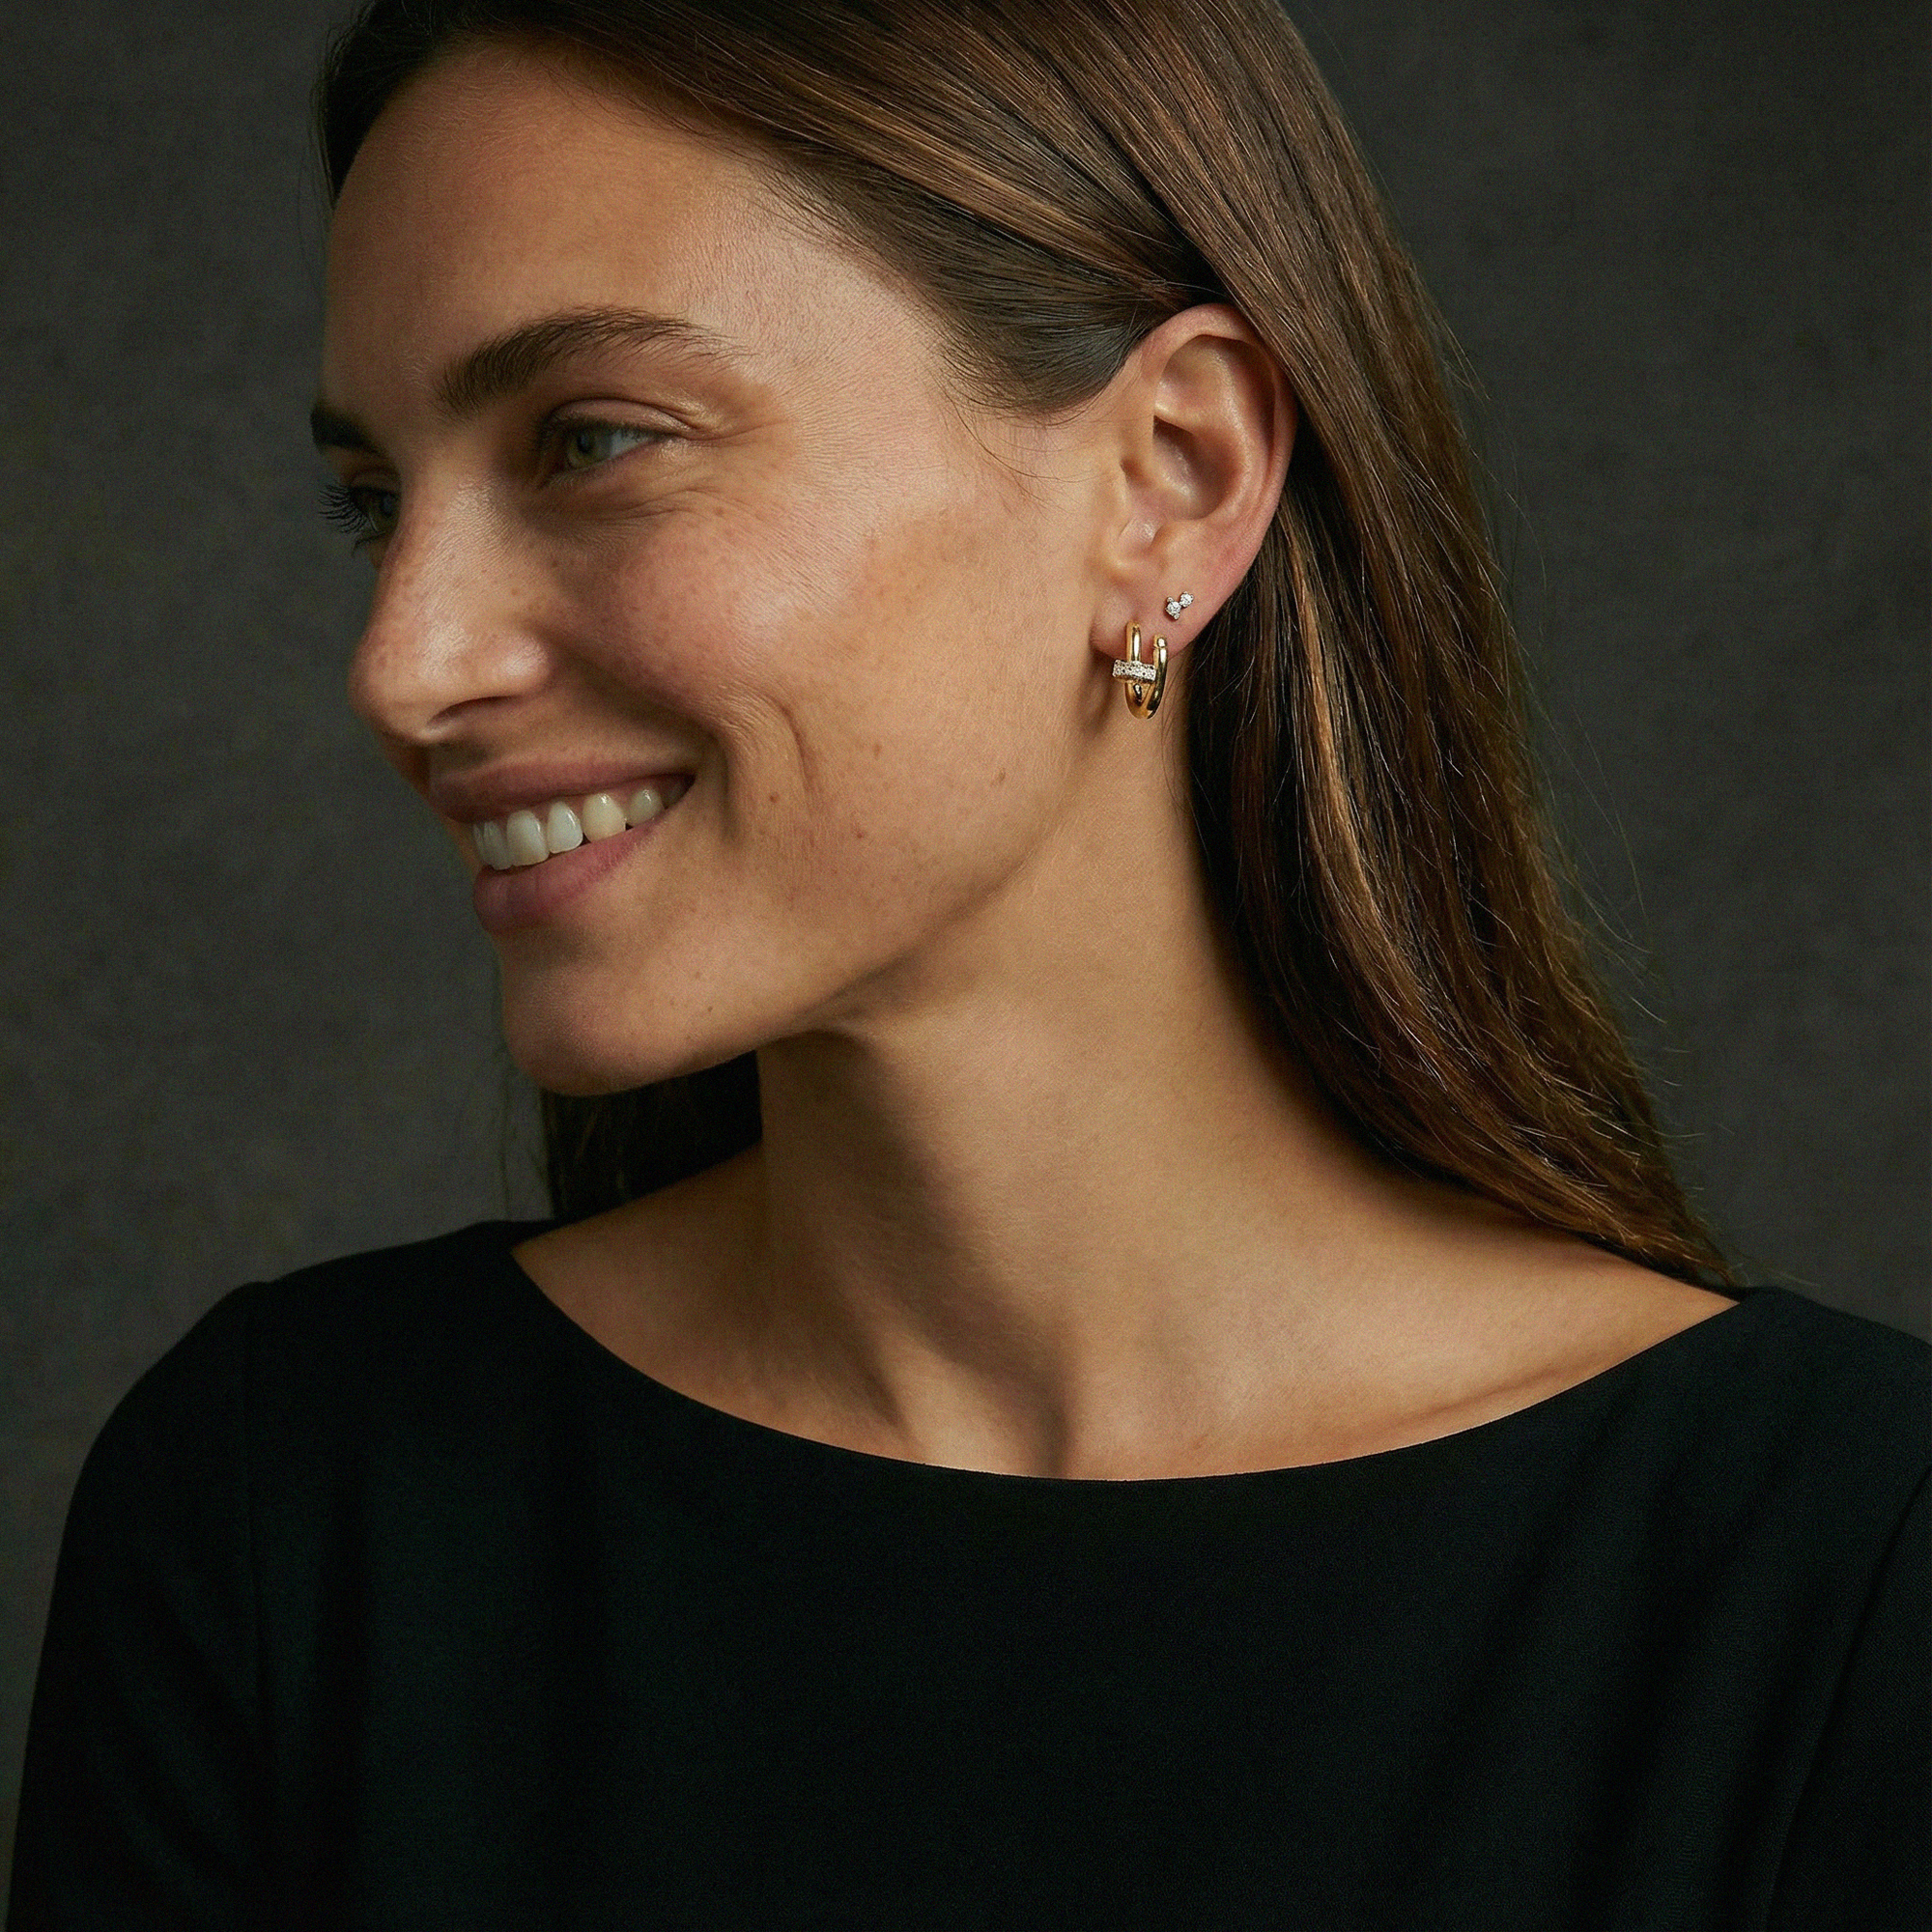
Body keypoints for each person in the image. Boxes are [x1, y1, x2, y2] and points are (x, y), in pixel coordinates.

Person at [11, 0, 1925, 1923]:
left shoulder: (1842, 1574)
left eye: (592, 440)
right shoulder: (294, 1519)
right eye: (374, 505)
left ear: (1166, 475)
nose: (403, 662)